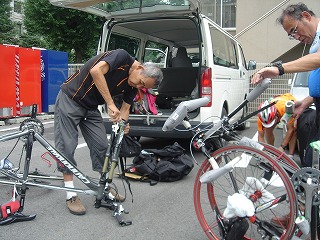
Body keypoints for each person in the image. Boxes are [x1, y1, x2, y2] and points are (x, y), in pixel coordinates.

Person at [54, 49, 163, 215]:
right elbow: (95, 70)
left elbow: (125, 109)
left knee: (101, 146)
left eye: (143, 87)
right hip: (71, 98)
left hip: (90, 107)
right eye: (141, 82)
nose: (138, 86)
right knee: (67, 145)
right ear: (139, 68)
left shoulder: (133, 86)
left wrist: (123, 125)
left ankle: (103, 186)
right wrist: (111, 104)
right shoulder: (121, 57)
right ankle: (71, 194)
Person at [251, 3, 320, 228]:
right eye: (291, 35)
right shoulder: (314, 41)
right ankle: (302, 215)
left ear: (306, 16)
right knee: (309, 167)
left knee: (312, 170)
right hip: (315, 107)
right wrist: (308, 100)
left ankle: (309, 221)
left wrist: (279, 68)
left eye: (294, 30)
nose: (295, 36)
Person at [257, 93, 297, 159]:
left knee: (294, 128)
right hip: (277, 103)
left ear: (276, 116)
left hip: (289, 102)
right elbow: (260, 136)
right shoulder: (261, 117)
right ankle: (271, 151)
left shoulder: (285, 109)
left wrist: (282, 147)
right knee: (268, 129)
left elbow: (291, 130)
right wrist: (264, 151)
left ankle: (291, 155)